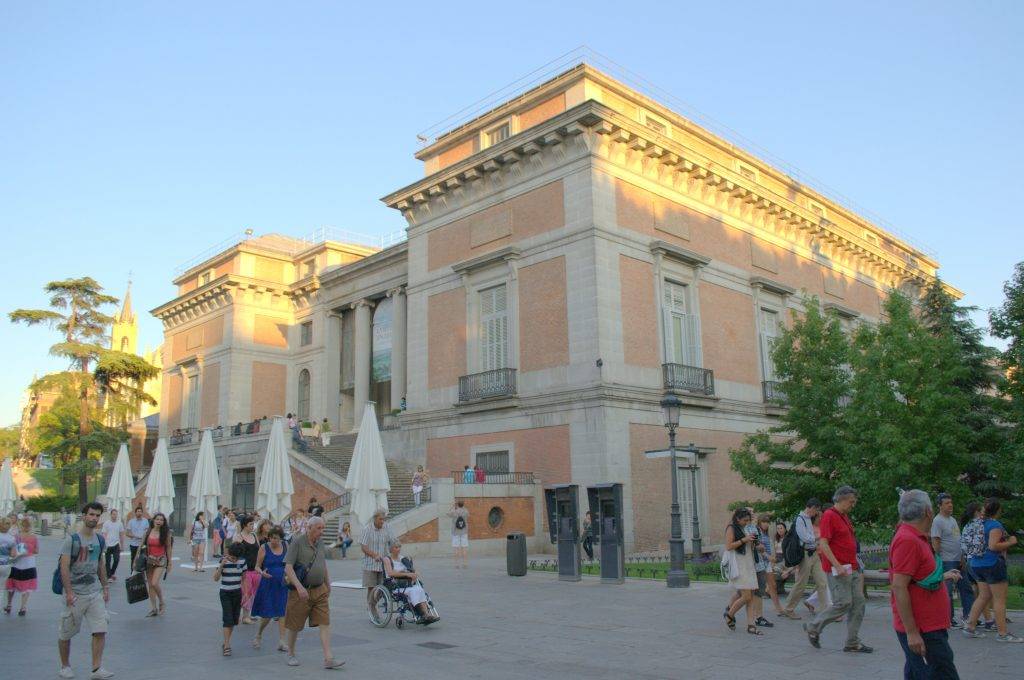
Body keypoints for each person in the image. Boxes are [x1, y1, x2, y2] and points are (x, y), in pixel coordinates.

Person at [890, 490, 963, 679]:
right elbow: (899, 586)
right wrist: (912, 632)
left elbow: (916, 576)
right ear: (928, 512)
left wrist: (942, 575)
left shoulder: (916, 536)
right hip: (924, 628)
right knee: (942, 674)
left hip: (929, 625)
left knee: (916, 673)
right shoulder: (908, 540)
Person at [803, 486, 872, 653]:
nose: (853, 505)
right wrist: (837, 565)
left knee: (859, 603)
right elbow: (823, 544)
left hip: (852, 567)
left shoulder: (844, 517)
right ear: (841, 500)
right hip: (838, 569)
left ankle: (852, 642)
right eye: (851, 502)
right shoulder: (829, 516)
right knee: (843, 602)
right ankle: (813, 626)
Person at [57, 501, 113, 680]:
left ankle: (96, 669)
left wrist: (105, 587)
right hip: (76, 593)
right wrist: (69, 592)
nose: (94, 518)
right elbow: (64, 567)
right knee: (66, 632)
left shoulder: (99, 540)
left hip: (94, 591)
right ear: (84, 516)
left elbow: (100, 564)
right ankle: (65, 666)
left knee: (100, 628)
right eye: (91, 514)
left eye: (97, 515)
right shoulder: (71, 540)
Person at [283, 516, 344, 669]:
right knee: (295, 625)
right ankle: (290, 653)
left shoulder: (320, 543)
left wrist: (327, 583)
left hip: (320, 589)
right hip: (301, 592)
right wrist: (299, 587)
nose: (321, 531)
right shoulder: (297, 541)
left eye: (323, 528)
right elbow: (288, 568)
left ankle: (328, 658)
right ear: (309, 528)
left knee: (324, 622)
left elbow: (322, 563)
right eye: (319, 528)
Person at [963, 498, 1021, 642]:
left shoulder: (977, 523)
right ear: (998, 510)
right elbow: (993, 546)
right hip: (992, 564)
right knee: (999, 600)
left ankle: (970, 627)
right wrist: (1011, 542)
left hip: (976, 564)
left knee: (983, 596)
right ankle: (1002, 633)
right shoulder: (994, 525)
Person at [781, 498, 829, 619]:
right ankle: (788, 608)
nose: (817, 514)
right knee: (801, 583)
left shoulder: (808, 519)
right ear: (812, 507)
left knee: (822, 582)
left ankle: (826, 611)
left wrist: (815, 538)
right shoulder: (800, 519)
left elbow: (810, 536)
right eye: (816, 511)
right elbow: (805, 538)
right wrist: (818, 538)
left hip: (814, 554)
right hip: (805, 554)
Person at [931, 493, 973, 629]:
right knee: (947, 592)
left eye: (951, 502)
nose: (950, 505)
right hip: (946, 561)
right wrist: (936, 562)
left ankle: (969, 617)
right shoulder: (937, 521)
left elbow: (957, 540)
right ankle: (949, 619)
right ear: (939, 505)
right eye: (947, 503)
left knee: (966, 589)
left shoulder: (953, 520)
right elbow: (936, 542)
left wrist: (962, 558)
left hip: (958, 560)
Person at [722, 508, 761, 635]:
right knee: (747, 596)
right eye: (745, 520)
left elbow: (751, 542)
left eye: (748, 520)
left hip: (748, 563)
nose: (747, 522)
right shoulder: (731, 528)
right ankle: (729, 614)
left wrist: (755, 543)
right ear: (737, 519)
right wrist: (744, 540)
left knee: (750, 597)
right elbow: (728, 546)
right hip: (739, 564)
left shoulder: (747, 527)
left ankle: (751, 625)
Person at [381, 541, 440, 623]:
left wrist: (414, 573)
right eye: (396, 547)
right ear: (391, 549)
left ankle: (426, 614)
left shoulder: (403, 559)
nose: (398, 549)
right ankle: (422, 614)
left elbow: (413, 570)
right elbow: (391, 573)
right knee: (413, 591)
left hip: (407, 584)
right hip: (394, 585)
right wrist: (406, 574)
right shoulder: (387, 559)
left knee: (419, 589)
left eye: (399, 547)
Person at [252, 525, 289, 652]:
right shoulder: (264, 547)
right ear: (269, 537)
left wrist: (289, 575)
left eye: (277, 539)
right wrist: (262, 573)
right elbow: (256, 566)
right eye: (273, 538)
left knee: (282, 612)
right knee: (267, 614)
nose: (275, 541)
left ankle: (282, 641)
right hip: (268, 582)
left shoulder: (285, 546)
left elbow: (289, 564)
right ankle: (259, 634)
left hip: (282, 583)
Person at [214, 542, 247, 657]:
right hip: (225, 593)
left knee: (233, 620)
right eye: (232, 557)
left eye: (236, 558)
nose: (234, 560)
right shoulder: (224, 560)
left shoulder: (242, 561)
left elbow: (244, 578)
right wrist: (222, 566)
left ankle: (226, 642)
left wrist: (246, 593)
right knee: (227, 619)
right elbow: (215, 578)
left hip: (237, 592)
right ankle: (227, 645)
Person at [360, 510, 396, 604]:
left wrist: (394, 552)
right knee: (371, 588)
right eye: (380, 519)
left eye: (384, 519)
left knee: (385, 586)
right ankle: (372, 608)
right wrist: (375, 555)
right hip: (370, 564)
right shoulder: (367, 529)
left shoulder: (387, 527)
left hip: (384, 564)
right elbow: (364, 547)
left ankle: (372, 604)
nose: (382, 521)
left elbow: (393, 541)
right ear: (375, 519)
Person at [5, 517, 38, 616]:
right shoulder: (34, 537)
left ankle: (9, 605)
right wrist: (29, 549)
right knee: (27, 586)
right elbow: (36, 551)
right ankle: (23, 607)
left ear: (21, 525)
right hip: (29, 563)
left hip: (17, 562)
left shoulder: (17, 537)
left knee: (11, 584)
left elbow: (12, 550)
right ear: (31, 526)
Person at [142, 513, 173, 617]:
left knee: (155, 583)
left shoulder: (166, 533)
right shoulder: (148, 531)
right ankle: (153, 608)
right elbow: (142, 545)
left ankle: (161, 602)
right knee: (150, 585)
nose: (159, 521)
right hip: (149, 560)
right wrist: (135, 560)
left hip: (161, 560)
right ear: (153, 520)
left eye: (161, 520)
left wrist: (169, 563)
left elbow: (168, 548)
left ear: (164, 522)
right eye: (157, 519)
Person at [234, 515, 260, 625]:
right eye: (250, 524)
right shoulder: (238, 537)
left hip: (255, 569)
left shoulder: (254, 535)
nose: (252, 526)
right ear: (244, 525)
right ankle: (243, 616)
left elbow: (258, 551)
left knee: (252, 593)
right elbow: (235, 553)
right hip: (244, 570)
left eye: (253, 524)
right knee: (245, 593)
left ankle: (246, 615)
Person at [757, 514, 784, 618]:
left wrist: (770, 560)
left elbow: (768, 548)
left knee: (773, 585)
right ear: (760, 522)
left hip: (767, 563)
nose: (766, 524)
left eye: (767, 522)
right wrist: (769, 557)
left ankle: (779, 608)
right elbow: (758, 548)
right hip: (759, 562)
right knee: (755, 589)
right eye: (764, 522)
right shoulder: (757, 532)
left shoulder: (765, 533)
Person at [99, 510, 123, 583]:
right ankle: (109, 576)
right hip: (108, 544)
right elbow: (104, 534)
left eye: (116, 514)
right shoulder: (106, 523)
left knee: (116, 559)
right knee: (108, 561)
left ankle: (112, 573)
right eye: (113, 514)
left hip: (116, 544)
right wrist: (104, 544)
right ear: (111, 515)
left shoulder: (119, 523)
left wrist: (122, 544)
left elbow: (121, 534)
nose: (114, 516)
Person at [448, 501, 469, 569]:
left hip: (455, 532)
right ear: (463, 505)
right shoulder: (465, 511)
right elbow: (468, 514)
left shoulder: (454, 511)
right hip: (464, 531)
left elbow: (447, 513)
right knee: (464, 548)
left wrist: (453, 506)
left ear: (457, 505)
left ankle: (456, 564)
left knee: (456, 548)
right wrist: (463, 507)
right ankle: (465, 564)